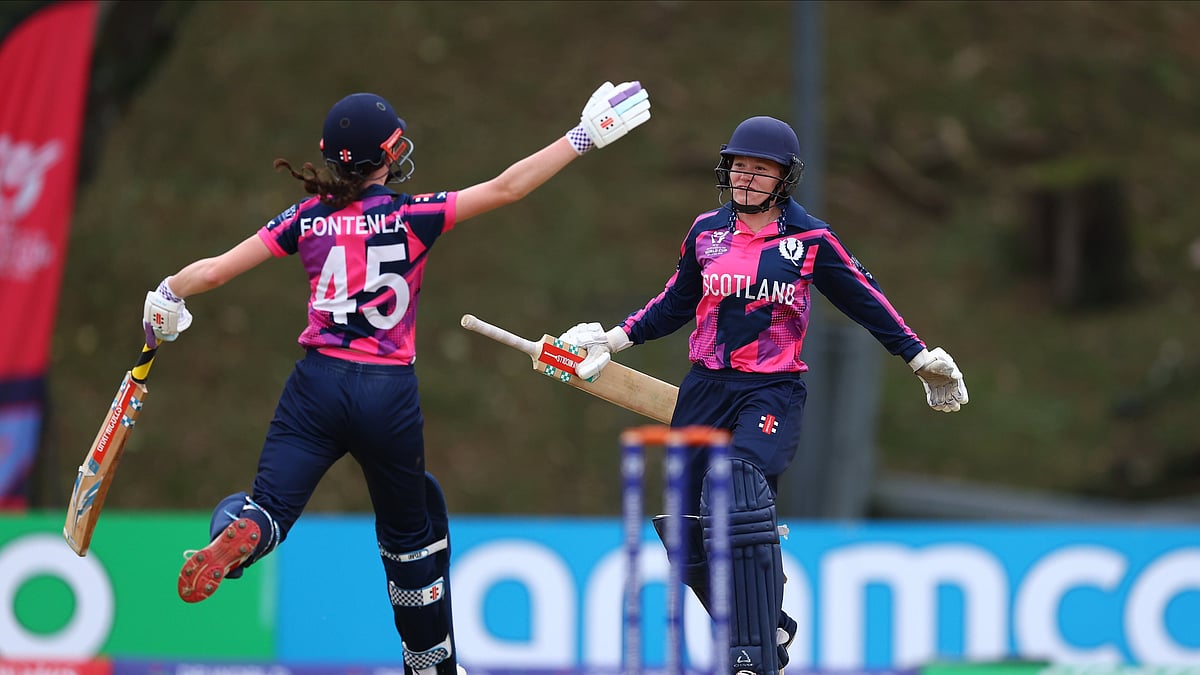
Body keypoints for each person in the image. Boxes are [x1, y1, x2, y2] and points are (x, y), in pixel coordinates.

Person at [140, 81, 652, 675]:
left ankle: (242, 532)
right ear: (385, 156)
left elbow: (215, 271)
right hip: (386, 393)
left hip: (317, 387)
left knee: (269, 505)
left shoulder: (305, 218)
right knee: (411, 536)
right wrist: (582, 137)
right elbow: (509, 187)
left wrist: (167, 292)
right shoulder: (414, 213)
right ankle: (430, 663)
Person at [559, 115, 968, 674]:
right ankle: (764, 623)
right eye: (739, 168)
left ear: (785, 179)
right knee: (684, 530)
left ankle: (751, 650)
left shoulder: (809, 240)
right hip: (704, 388)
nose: (747, 179)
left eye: (761, 170)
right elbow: (676, 302)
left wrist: (918, 356)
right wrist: (614, 338)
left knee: (738, 488)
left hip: (770, 389)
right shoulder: (705, 233)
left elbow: (863, 298)